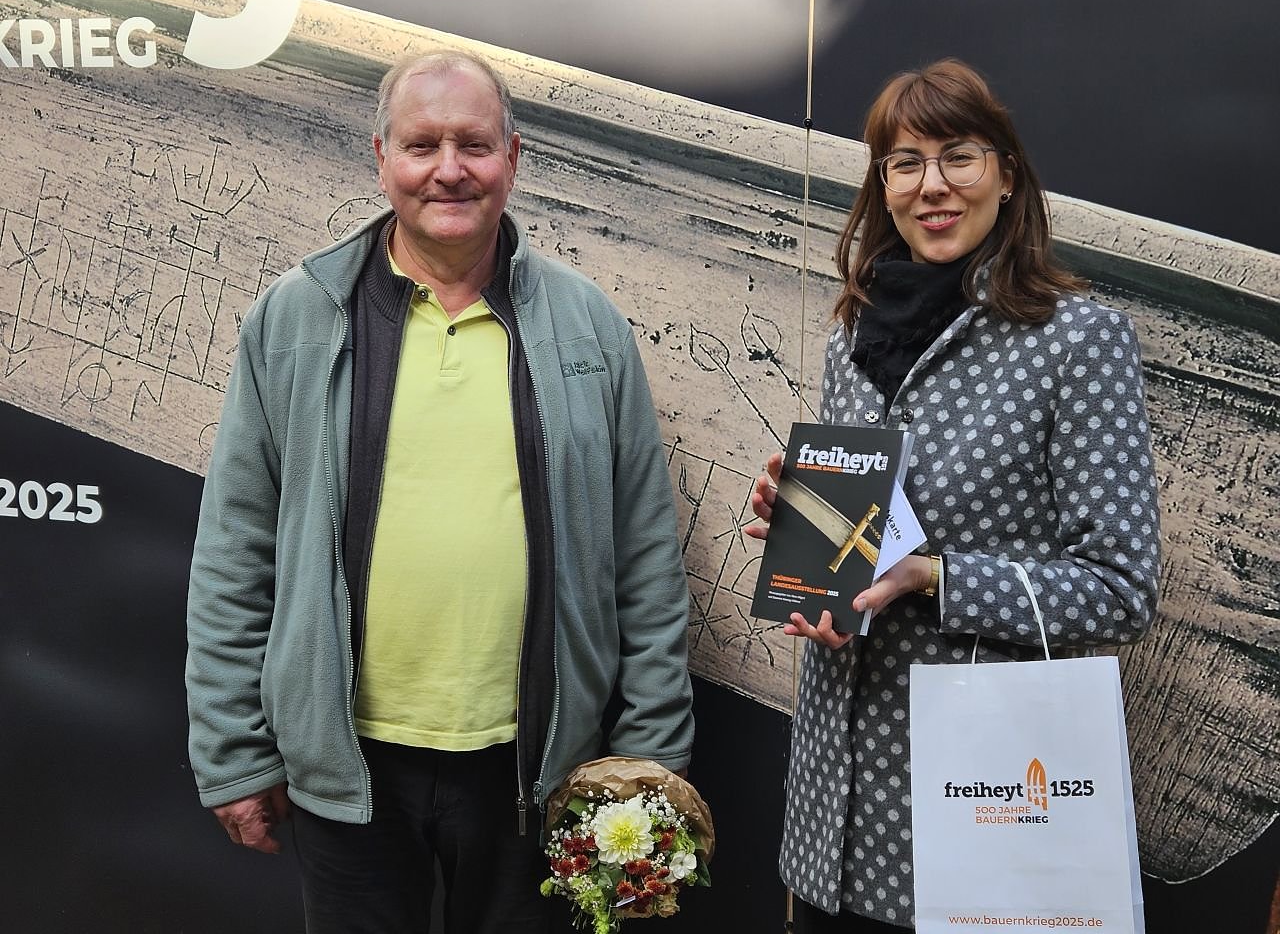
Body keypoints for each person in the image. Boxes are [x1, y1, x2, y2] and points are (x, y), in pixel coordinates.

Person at [185, 50, 694, 934]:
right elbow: (237, 548)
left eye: (474, 144)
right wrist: (233, 752)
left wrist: (649, 755)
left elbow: (646, 556)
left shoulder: (589, 326)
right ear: (381, 156)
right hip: (350, 768)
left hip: (537, 770)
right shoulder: (296, 317)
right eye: (423, 145)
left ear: (513, 157)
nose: (449, 169)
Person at [747, 59, 1161, 931]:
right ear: (883, 186)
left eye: (958, 156)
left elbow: (1122, 590)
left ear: (1006, 176)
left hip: (979, 811)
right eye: (905, 162)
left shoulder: (1078, 341)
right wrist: (808, 534)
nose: (931, 185)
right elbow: (866, 543)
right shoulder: (851, 335)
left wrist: (933, 576)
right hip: (829, 819)